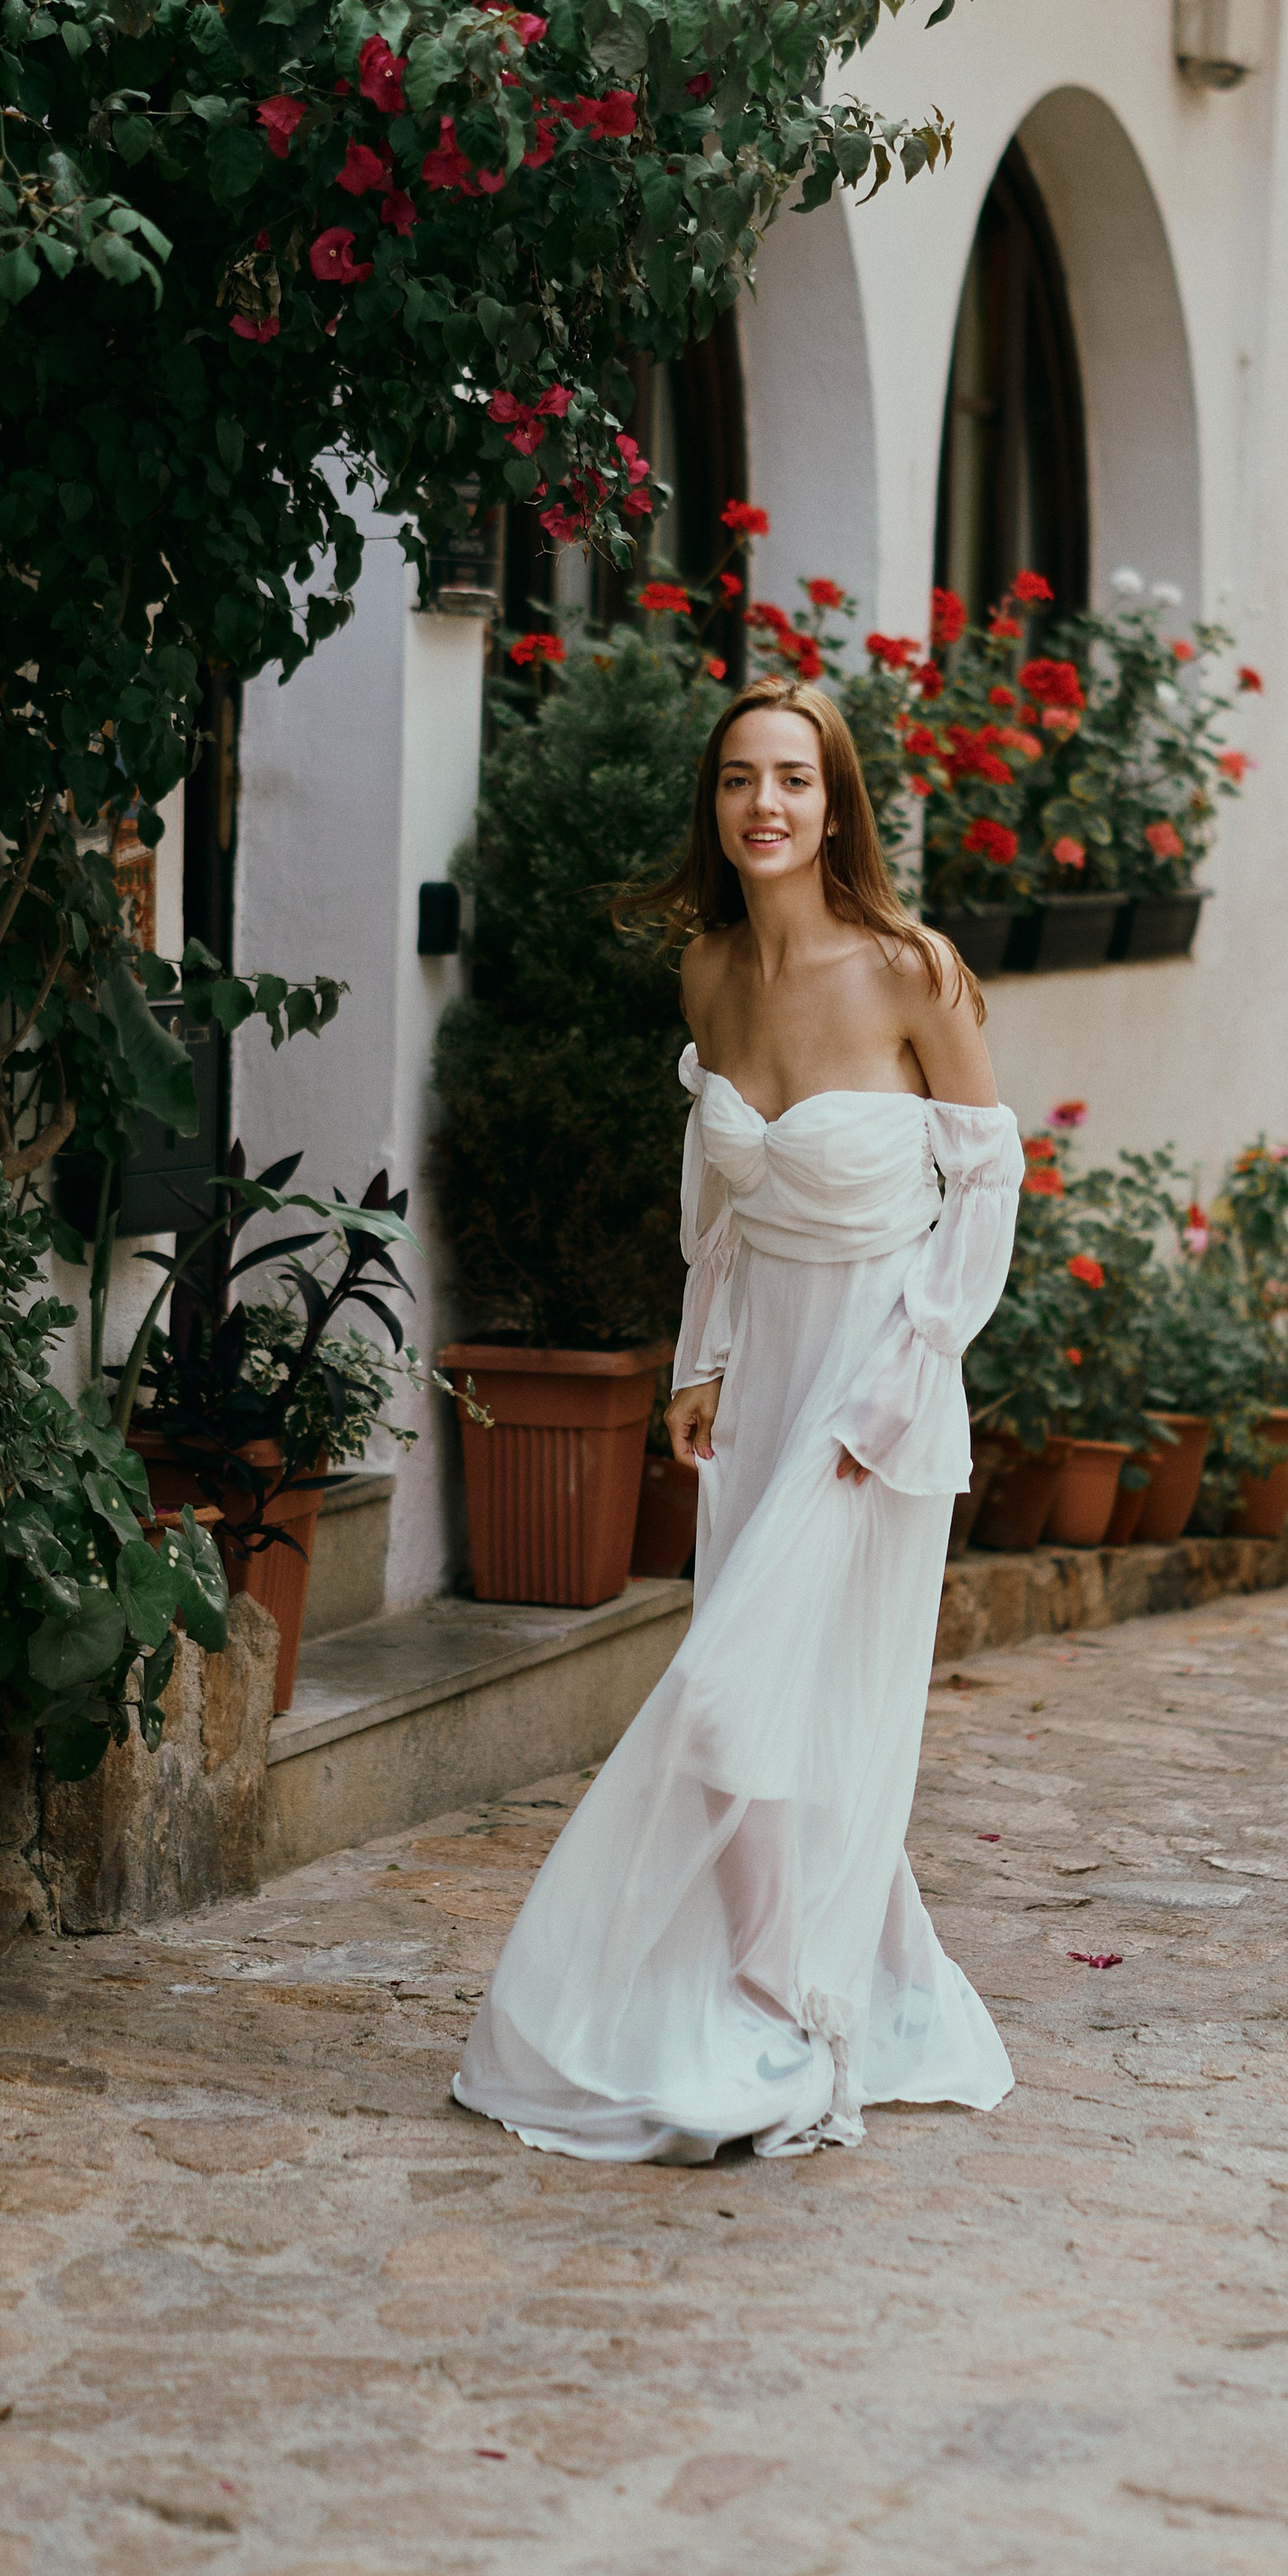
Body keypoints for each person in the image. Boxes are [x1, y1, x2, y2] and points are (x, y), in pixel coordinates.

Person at [454, 674, 1023, 2161]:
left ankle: (783, 2006)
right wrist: (698, 1363)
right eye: (735, 781)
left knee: (734, 1694)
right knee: (784, 1696)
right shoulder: (709, 973)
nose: (763, 804)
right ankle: (874, 1986)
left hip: (879, 1381)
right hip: (765, 1368)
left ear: (836, 804)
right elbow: (722, 1200)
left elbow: (989, 1186)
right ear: (713, 809)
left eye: (792, 778)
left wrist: (904, 1387)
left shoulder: (915, 971)